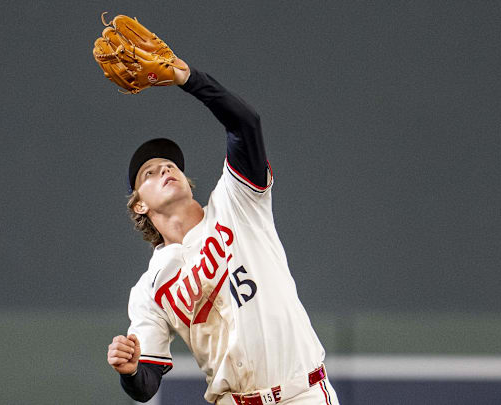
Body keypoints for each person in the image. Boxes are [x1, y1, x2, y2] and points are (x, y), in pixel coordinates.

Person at [107, 59, 340, 405]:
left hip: (302, 394)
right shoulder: (149, 289)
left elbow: (246, 124)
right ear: (139, 205)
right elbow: (147, 382)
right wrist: (129, 372)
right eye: (150, 173)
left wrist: (188, 79)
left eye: (171, 165)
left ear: (187, 180)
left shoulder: (237, 201)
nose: (165, 169)